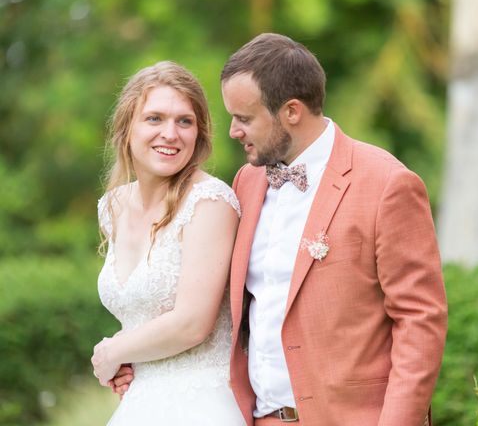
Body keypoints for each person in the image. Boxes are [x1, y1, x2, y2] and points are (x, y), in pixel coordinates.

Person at [222, 33, 448, 425]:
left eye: (244, 118)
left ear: (291, 111)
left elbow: (420, 320)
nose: (233, 131)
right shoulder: (247, 182)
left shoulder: (387, 183)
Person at [92, 60, 246, 425]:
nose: (170, 134)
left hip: (201, 404)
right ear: (127, 127)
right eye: (154, 118)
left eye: (184, 121)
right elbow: (142, 314)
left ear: (199, 133)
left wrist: (112, 351)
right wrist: (124, 358)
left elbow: (192, 323)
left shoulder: (210, 202)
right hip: (140, 404)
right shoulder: (112, 206)